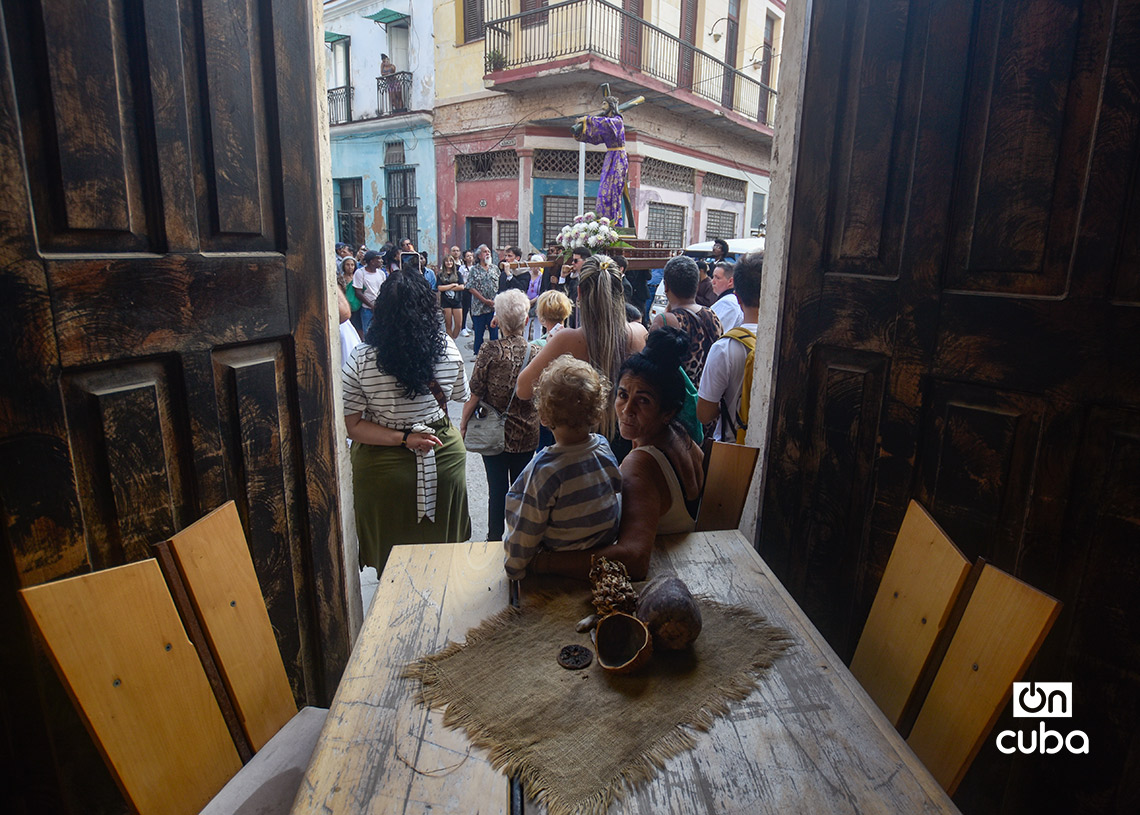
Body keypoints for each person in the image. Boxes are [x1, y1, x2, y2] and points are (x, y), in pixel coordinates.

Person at [524, 328, 703, 580]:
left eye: (643, 401)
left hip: (663, 576)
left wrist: (544, 563)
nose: (626, 410)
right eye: (623, 395)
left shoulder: (641, 464)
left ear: (668, 412)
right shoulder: (682, 438)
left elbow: (635, 560)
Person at [342, 271, 471, 572]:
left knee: (392, 566)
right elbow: (459, 395)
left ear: (381, 309)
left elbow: (353, 426)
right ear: (429, 309)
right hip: (442, 457)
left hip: (381, 469)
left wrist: (402, 438)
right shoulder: (448, 350)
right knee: (441, 562)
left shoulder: (361, 358)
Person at [502, 355, 622, 580]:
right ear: (597, 412)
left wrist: (514, 568)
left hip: (559, 565)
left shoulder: (545, 469)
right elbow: (616, 487)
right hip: (601, 557)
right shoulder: (603, 448)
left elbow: (526, 527)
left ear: (544, 416)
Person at [517, 254, 646, 448]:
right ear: (621, 292)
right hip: (626, 444)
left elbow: (523, 389)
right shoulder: (639, 333)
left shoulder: (566, 339)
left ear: (579, 293)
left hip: (576, 446)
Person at [461, 290, 540, 542]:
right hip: (526, 432)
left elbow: (474, 393)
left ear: (497, 319)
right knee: (521, 489)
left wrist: (463, 423)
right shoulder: (537, 353)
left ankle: (494, 539)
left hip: (493, 433)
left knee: (497, 490)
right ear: (527, 320)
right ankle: (519, 539)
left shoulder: (489, 350)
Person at [698, 252, 761, 441]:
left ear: (738, 298)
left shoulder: (725, 348)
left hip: (733, 449)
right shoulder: (786, 344)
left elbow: (704, 414)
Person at [649, 254, 722, 387]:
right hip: (705, 399)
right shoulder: (712, 314)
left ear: (666, 287)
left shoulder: (665, 321)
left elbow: (650, 367)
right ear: (696, 285)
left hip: (676, 401)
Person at [467, 244, 500, 354]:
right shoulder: (474, 270)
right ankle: (478, 355)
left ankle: (495, 355)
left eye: (489, 251)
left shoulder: (495, 269)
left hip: (493, 308)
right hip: (479, 308)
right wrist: (484, 300)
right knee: (479, 333)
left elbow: (500, 285)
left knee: (494, 333)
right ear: (479, 256)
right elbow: (470, 287)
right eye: (485, 252)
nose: (487, 253)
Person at [353, 249, 387, 335]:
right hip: (367, 309)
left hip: (380, 308)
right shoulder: (360, 273)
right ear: (372, 261)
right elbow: (358, 292)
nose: (381, 261)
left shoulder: (381, 273)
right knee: (368, 333)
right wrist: (372, 306)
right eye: (378, 259)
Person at [709, 261, 743, 331]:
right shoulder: (729, 300)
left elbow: (715, 332)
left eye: (717, 278)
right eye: (713, 277)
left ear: (730, 281)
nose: (713, 281)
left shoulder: (728, 303)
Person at [437, 253, 465, 338]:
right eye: (446, 261)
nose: (449, 263)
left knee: (458, 324)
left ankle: (453, 339)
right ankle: (451, 341)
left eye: (450, 261)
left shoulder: (458, 274)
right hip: (446, 302)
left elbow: (461, 286)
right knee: (448, 324)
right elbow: (440, 288)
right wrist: (452, 285)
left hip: (457, 301)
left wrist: (447, 288)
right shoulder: (440, 275)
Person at [339, 256, 363, 333]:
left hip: (358, 306)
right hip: (346, 306)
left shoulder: (358, 277)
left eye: (352, 265)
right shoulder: (340, 279)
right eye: (347, 265)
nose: (350, 267)